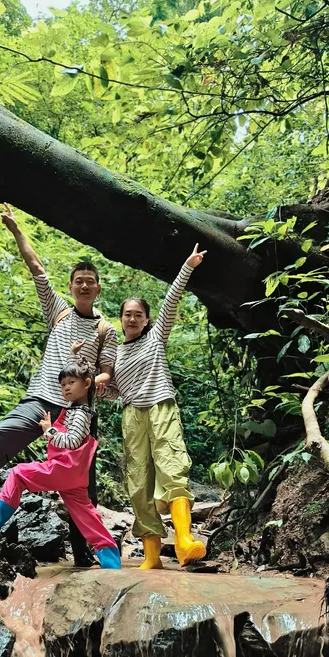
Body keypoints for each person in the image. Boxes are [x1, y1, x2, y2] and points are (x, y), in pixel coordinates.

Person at [0, 203, 117, 567]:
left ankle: (86, 553)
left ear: (98, 288)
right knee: (2, 434)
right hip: (41, 400)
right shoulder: (59, 313)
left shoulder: (105, 329)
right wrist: (16, 230)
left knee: (82, 488)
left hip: (77, 411)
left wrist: (84, 382)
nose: (83, 284)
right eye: (77, 279)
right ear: (71, 286)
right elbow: (37, 269)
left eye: (89, 280)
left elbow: (108, 373)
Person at [0, 346, 121, 569]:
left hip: (63, 468)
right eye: (63, 385)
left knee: (18, 474)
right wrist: (73, 355)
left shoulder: (79, 414)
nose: (66, 388)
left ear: (87, 384)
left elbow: (71, 441)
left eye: (71, 383)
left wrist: (49, 431)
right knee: (86, 514)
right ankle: (111, 560)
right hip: (74, 475)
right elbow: (80, 373)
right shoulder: (81, 407)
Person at [112, 244, 207, 569]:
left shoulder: (155, 338)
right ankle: (152, 555)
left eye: (139, 314)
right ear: (121, 319)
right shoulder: (116, 354)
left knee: (171, 465)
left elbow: (171, 300)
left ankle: (183, 541)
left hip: (161, 406)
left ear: (147, 319)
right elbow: (112, 391)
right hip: (131, 415)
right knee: (138, 482)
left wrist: (188, 266)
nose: (133, 318)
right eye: (128, 314)